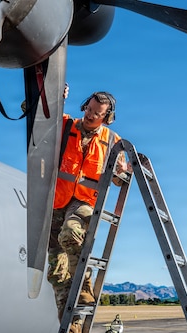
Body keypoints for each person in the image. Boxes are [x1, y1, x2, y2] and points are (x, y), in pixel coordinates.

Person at [47, 89, 128, 333]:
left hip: (83, 202)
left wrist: (124, 170)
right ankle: (73, 327)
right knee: (56, 272)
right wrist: (52, 95)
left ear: (107, 117)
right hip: (57, 200)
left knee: (70, 234)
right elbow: (37, 115)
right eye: (88, 109)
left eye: (96, 113)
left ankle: (84, 285)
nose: (90, 115)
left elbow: (118, 178)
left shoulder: (112, 140)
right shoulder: (65, 125)